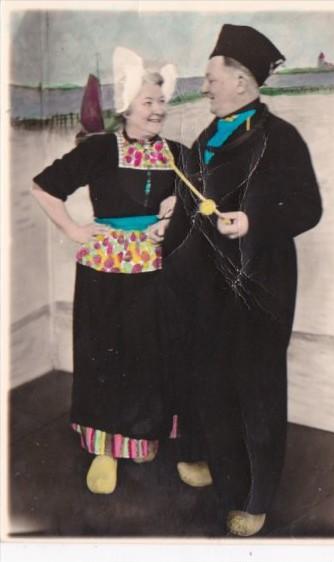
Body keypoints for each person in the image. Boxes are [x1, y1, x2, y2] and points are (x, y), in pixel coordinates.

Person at [163, 24, 322, 536]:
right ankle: (220, 466)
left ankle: (256, 498)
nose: (204, 86)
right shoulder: (205, 138)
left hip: (260, 286)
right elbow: (189, 216)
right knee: (210, 382)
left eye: (211, 78)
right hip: (206, 288)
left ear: (242, 80)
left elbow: (308, 209)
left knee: (256, 389)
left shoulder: (281, 138)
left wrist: (254, 222)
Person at [32, 47, 184, 495]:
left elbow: (201, 197)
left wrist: (176, 211)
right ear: (126, 107)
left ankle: (146, 437)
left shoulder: (177, 153)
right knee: (107, 354)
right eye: (148, 102)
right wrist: (75, 230)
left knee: (153, 354)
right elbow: (44, 187)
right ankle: (105, 449)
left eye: (161, 101)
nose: (157, 110)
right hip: (106, 269)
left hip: (159, 268)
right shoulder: (100, 148)